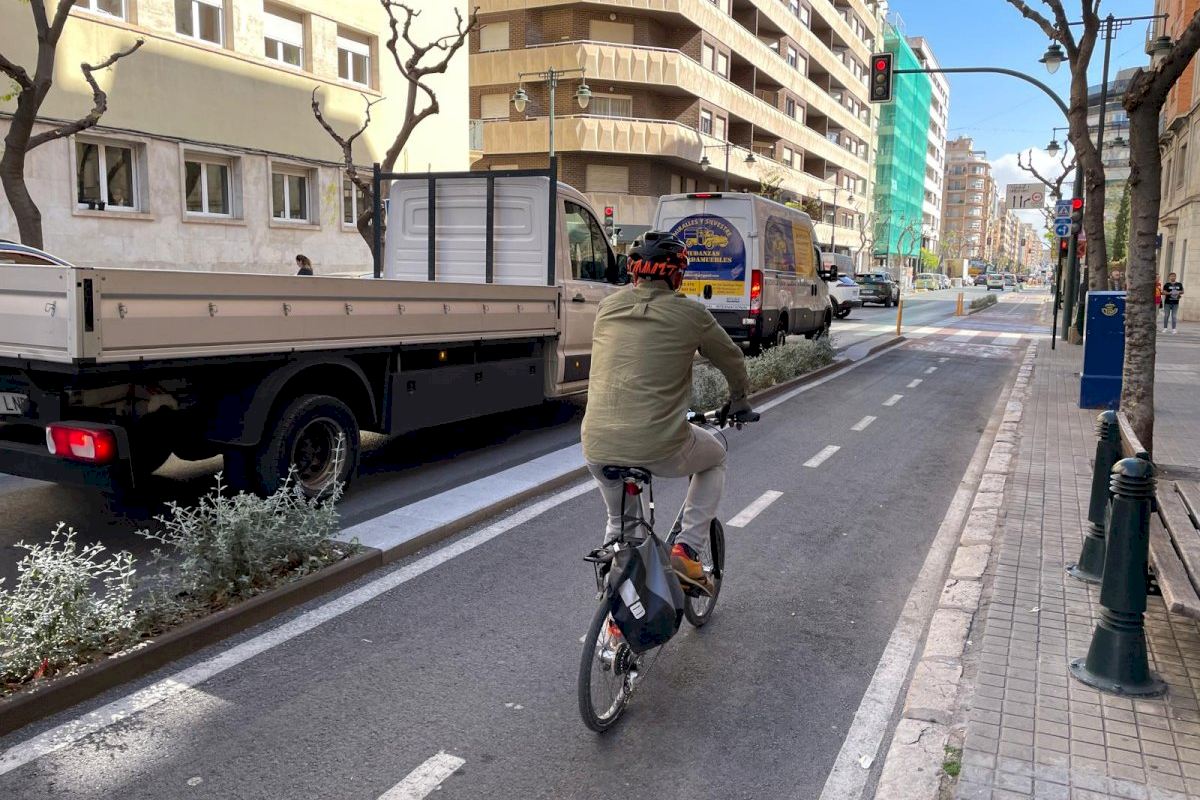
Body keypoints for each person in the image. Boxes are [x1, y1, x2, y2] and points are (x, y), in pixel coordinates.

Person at [580, 231, 752, 592]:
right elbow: (733, 360)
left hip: (597, 444)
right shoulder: (692, 314)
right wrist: (738, 400)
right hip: (659, 444)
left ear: (634, 271)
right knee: (715, 457)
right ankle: (687, 550)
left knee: (620, 523)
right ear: (678, 276)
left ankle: (613, 601)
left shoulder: (607, 307)